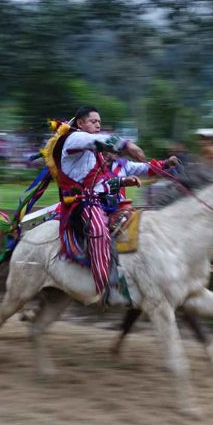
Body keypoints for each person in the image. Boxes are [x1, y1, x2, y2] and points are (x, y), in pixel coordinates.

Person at [53, 106, 147, 305]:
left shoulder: (93, 155)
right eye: (93, 121)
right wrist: (127, 144)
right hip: (79, 205)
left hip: (96, 200)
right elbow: (98, 140)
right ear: (80, 123)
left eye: (99, 122)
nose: (98, 125)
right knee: (97, 226)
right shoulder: (75, 138)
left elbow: (100, 185)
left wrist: (123, 182)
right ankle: (105, 286)